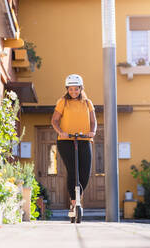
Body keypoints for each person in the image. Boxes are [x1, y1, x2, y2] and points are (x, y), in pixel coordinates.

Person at [51, 74, 97, 217]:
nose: (73, 92)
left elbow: (93, 122)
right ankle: (74, 203)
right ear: (67, 89)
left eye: (76, 89)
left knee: (85, 173)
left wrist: (92, 132)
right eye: (70, 89)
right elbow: (54, 121)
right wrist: (61, 132)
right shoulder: (62, 102)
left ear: (80, 88)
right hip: (66, 141)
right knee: (73, 171)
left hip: (84, 140)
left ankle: (77, 200)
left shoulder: (88, 103)